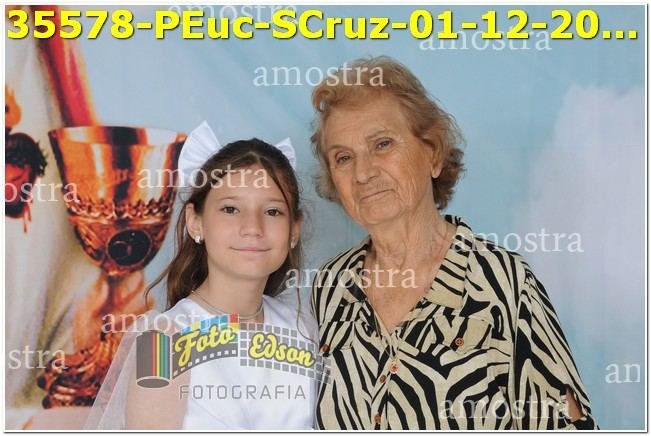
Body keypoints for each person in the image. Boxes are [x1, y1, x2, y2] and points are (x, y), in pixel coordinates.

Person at [309, 56, 597, 430]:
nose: (363, 173)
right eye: (343, 157)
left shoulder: (503, 281)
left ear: (432, 152)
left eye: (382, 144)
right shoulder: (329, 287)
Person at [84, 122, 318, 430]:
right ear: (196, 223)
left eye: (273, 211)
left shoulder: (302, 328)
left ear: (294, 230)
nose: (253, 227)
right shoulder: (160, 343)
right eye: (231, 209)